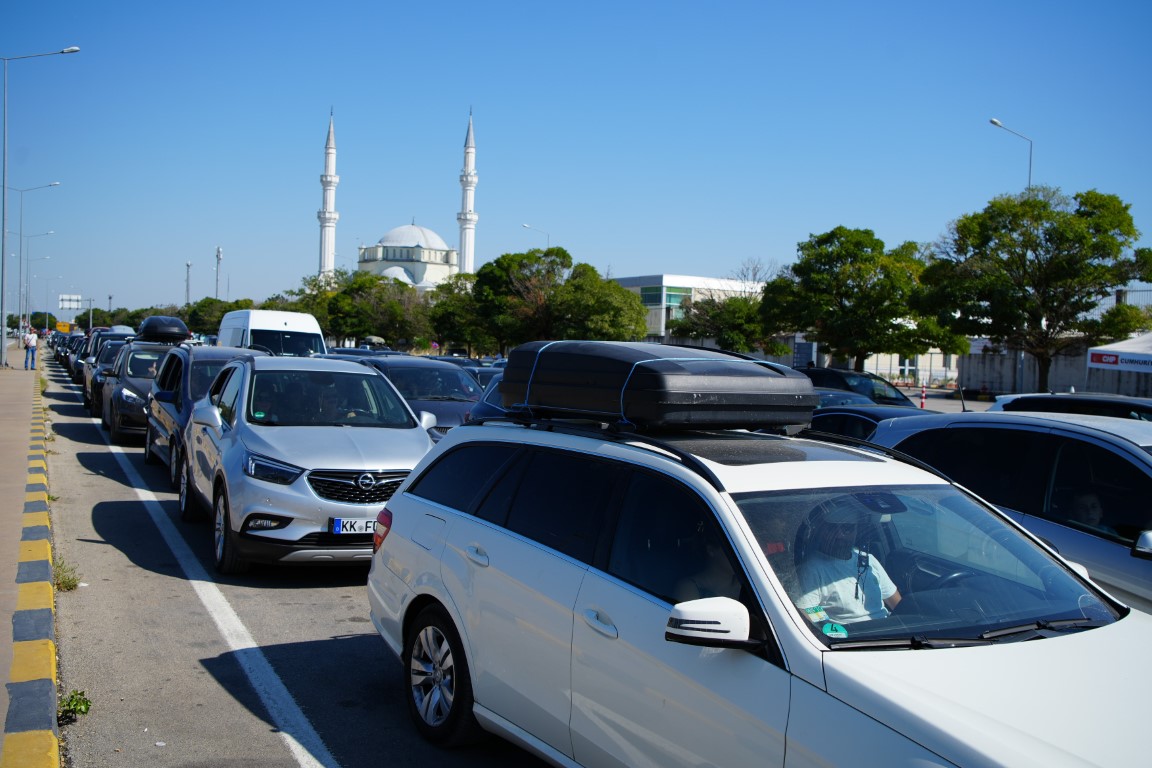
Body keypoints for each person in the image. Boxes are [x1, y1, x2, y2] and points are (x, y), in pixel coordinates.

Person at [795, 497, 901, 626]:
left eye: (847, 529)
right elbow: (808, 611)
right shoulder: (812, 568)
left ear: (856, 531)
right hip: (851, 638)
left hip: (889, 632)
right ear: (822, 531)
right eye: (832, 528)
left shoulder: (868, 560)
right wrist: (834, 631)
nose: (839, 535)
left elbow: (896, 603)